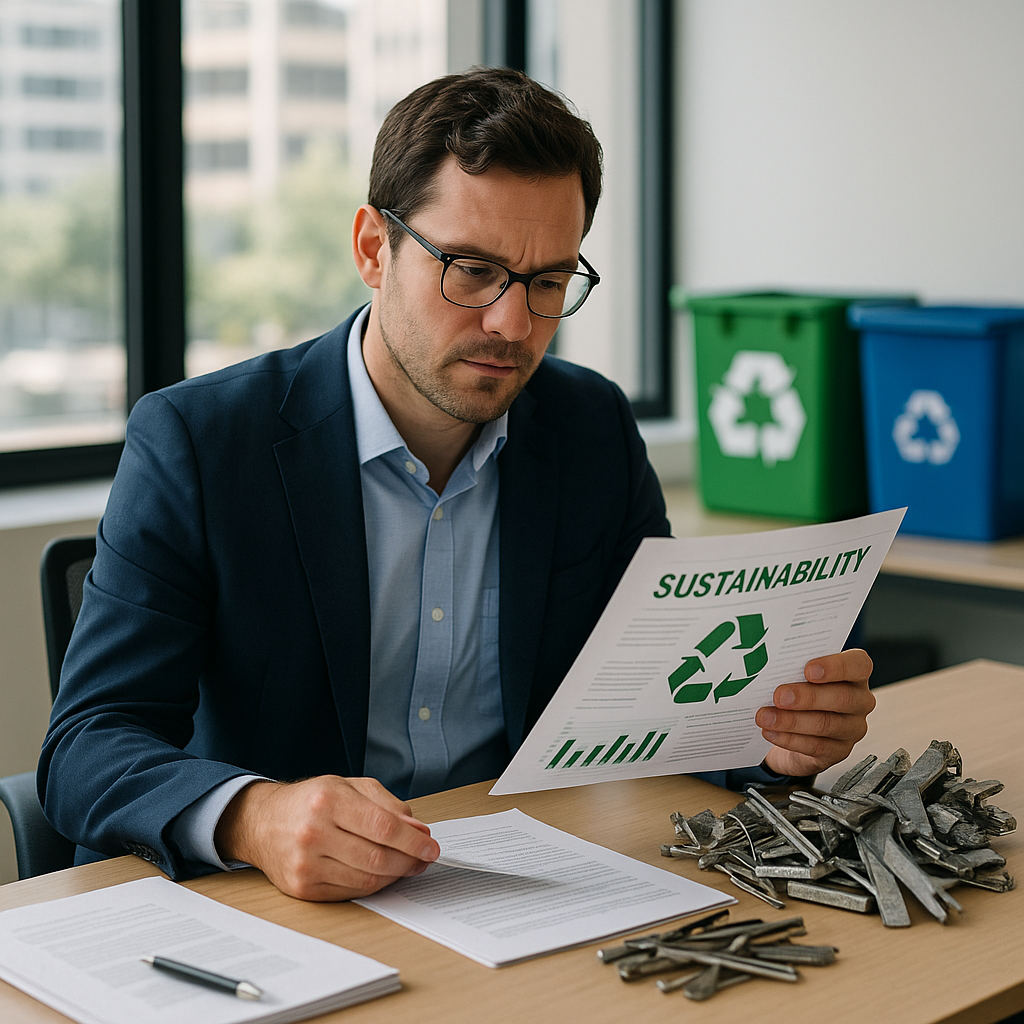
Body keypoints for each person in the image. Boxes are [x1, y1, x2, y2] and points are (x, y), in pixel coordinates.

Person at [39, 67, 874, 903]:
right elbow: (86, 747)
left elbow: (655, 697)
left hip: (524, 884)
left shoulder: (591, 428)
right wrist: (254, 817)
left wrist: (769, 740)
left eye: (548, 282)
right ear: (374, 249)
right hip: (286, 909)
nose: (513, 324)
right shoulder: (199, 441)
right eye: (472, 270)